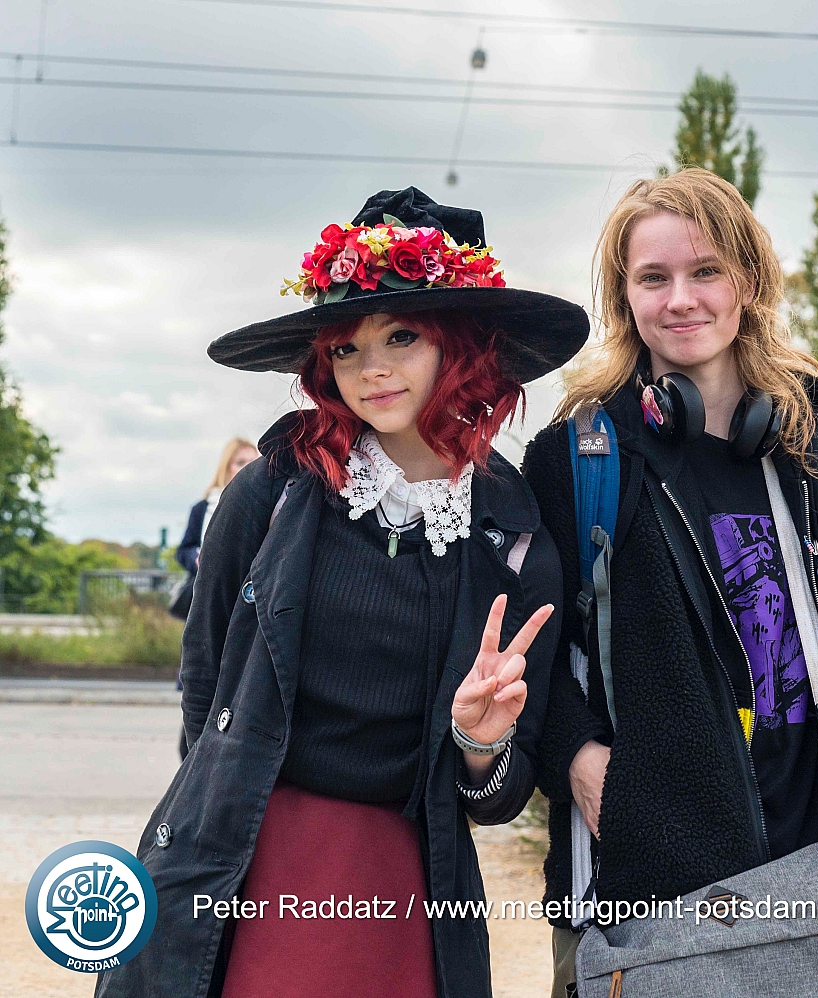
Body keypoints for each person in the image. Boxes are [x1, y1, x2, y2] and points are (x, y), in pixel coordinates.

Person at [99, 187, 589, 998]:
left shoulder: (517, 538)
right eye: (347, 349)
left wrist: (479, 742)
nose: (373, 369)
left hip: (407, 880)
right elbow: (206, 689)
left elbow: (497, 800)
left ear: (464, 348)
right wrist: (217, 835)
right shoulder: (271, 491)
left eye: (402, 336)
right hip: (250, 863)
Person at [523, 169, 818, 996]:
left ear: (748, 280)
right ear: (624, 296)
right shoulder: (575, 458)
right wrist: (577, 756)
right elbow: (530, 651)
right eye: (653, 277)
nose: (680, 299)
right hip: (652, 881)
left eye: (705, 270)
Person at [170, 438, 259, 619]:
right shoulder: (202, 509)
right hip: (209, 597)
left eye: (253, 462)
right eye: (241, 462)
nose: (248, 468)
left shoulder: (268, 508)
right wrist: (197, 559)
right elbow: (184, 550)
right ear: (226, 468)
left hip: (250, 597)